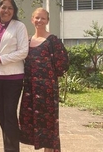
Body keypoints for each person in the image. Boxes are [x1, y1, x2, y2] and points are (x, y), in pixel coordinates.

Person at [19, 8, 68, 152]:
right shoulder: (27, 41)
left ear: (47, 21)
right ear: (32, 19)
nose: (39, 21)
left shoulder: (52, 40)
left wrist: (47, 78)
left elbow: (63, 64)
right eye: (37, 18)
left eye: (43, 18)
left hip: (47, 91)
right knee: (33, 121)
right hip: (30, 89)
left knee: (48, 124)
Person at [0, 0, 29, 152]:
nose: (6, 10)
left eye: (10, 8)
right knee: (0, 113)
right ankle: (9, 145)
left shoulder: (19, 27)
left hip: (13, 77)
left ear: (14, 11)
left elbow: (23, 51)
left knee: (9, 113)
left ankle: (11, 149)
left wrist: (2, 59)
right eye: (3, 7)